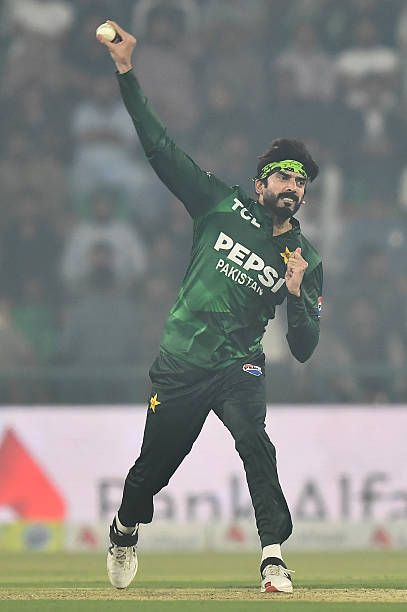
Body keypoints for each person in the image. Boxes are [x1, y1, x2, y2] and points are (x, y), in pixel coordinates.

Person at [97, 21, 323, 594]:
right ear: (260, 184)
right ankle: (125, 527)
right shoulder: (219, 204)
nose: (293, 185)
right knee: (154, 468)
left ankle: (273, 557)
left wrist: (298, 293)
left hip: (237, 365)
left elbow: (303, 348)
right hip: (181, 362)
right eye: (282, 175)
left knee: (256, 443)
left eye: (301, 182)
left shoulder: (305, 258)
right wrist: (126, 70)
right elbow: (160, 148)